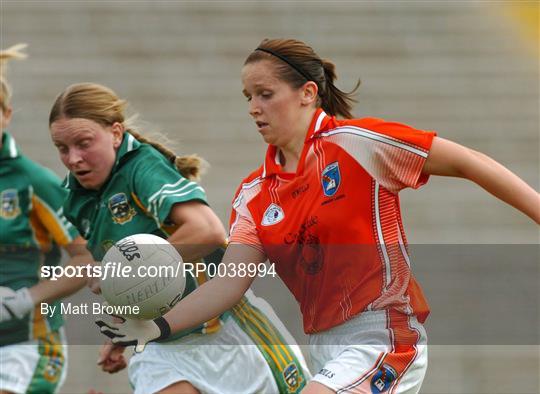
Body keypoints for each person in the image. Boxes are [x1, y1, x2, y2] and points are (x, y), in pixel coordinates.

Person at [97, 38, 540, 393]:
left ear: (308, 93)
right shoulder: (254, 194)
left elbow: (468, 162)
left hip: (384, 338)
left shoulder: (359, 144)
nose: (253, 107)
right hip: (324, 349)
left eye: (266, 94)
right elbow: (229, 284)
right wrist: (156, 327)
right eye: (248, 96)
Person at [48, 82, 311, 394]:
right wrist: (120, 329)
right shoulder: (77, 199)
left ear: (116, 134)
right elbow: (128, 280)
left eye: (84, 143)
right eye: (62, 149)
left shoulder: (141, 169)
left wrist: (123, 274)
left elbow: (207, 230)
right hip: (159, 345)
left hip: (226, 333)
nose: (74, 159)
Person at [0, 44, 90, 394]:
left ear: (6, 114)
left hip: (25, 347)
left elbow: (87, 259)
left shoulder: (33, 182)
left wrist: (24, 299)